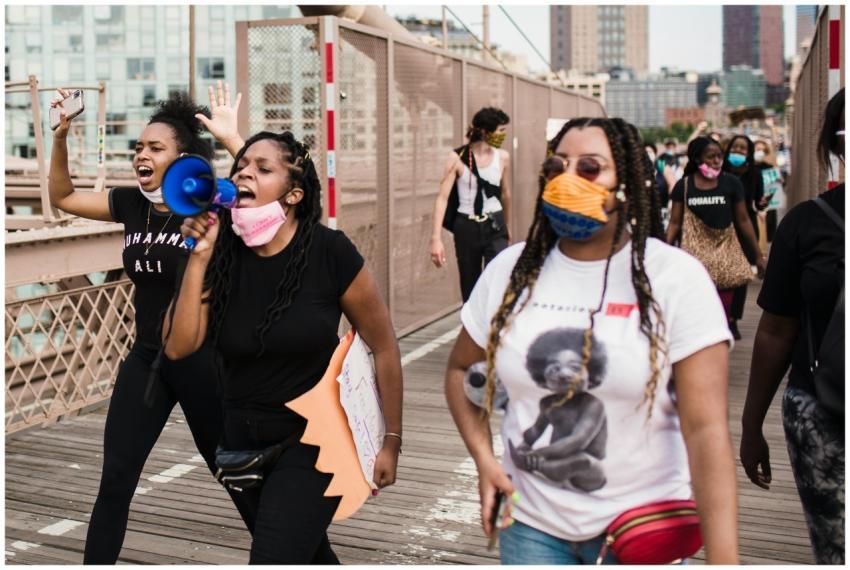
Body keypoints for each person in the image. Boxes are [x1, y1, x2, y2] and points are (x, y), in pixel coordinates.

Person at [445, 117, 739, 564]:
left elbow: (707, 432)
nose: (567, 180)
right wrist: (486, 461)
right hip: (529, 528)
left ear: (630, 183)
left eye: (589, 168)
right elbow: (460, 368)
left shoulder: (675, 280)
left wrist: (724, 560)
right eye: (557, 166)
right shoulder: (509, 270)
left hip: (638, 533)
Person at [162, 128, 403, 564]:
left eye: (262, 168)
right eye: (240, 166)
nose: (244, 172)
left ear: (293, 195)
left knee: (274, 555)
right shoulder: (218, 251)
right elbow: (178, 347)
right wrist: (197, 259)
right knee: (307, 554)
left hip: (316, 441)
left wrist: (391, 440)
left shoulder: (329, 252)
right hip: (241, 447)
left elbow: (383, 345)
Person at [48, 85, 252, 564]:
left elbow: (276, 199)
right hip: (146, 361)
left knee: (234, 474)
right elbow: (63, 196)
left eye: (155, 148)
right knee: (115, 478)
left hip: (206, 363)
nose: (141, 154)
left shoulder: (213, 204)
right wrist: (61, 135)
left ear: (183, 158)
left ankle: (291, 551)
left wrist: (232, 137)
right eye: (139, 147)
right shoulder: (130, 205)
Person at [740, 88, 845, 565]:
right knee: (837, 547)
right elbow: (776, 330)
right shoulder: (806, 224)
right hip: (824, 413)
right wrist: (750, 425)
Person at [666, 136, 766, 326]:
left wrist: (758, 255)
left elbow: (743, 220)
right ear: (697, 159)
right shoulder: (684, 186)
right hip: (695, 257)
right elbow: (674, 223)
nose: (716, 161)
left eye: (719, 156)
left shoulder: (731, 184)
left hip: (725, 254)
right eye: (710, 156)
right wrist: (664, 250)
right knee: (697, 307)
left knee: (723, 309)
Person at [430, 107, 512, 301]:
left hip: (495, 224)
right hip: (466, 225)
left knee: (497, 279)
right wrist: (436, 238)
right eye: (500, 130)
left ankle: (494, 327)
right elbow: (442, 198)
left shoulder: (503, 157)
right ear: (484, 131)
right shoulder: (456, 157)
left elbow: (505, 193)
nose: (503, 135)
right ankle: (472, 327)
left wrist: (506, 226)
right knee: (470, 283)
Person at [722, 134, 766, 340]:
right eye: (735, 148)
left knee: (740, 277)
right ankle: (720, 316)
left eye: (742, 149)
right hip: (722, 227)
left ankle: (733, 320)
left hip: (746, 229)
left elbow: (758, 203)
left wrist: (763, 203)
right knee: (721, 274)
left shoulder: (755, 174)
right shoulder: (720, 171)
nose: (738, 152)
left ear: (748, 153)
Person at [753, 138, 786, 241]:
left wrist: (779, 179)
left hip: (769, 203)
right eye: (757, 149)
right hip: (753, 203)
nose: (759, 152)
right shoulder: (748, 167)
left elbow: (780, 181)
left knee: (768, 229)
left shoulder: (770, 167)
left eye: (762, 150)